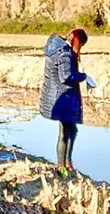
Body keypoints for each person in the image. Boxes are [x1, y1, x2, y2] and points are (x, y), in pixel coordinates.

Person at [38, 29, 93, 177]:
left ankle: (67, 163)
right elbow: (66, 77)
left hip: (58, 96)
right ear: (77, 41)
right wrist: (83, 76)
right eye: (81, 44)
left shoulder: (56, 48)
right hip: (61, 97)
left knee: (71, 130)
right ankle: (61, 166)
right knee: (65, 132)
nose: (80, 48)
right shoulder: (64, 53)